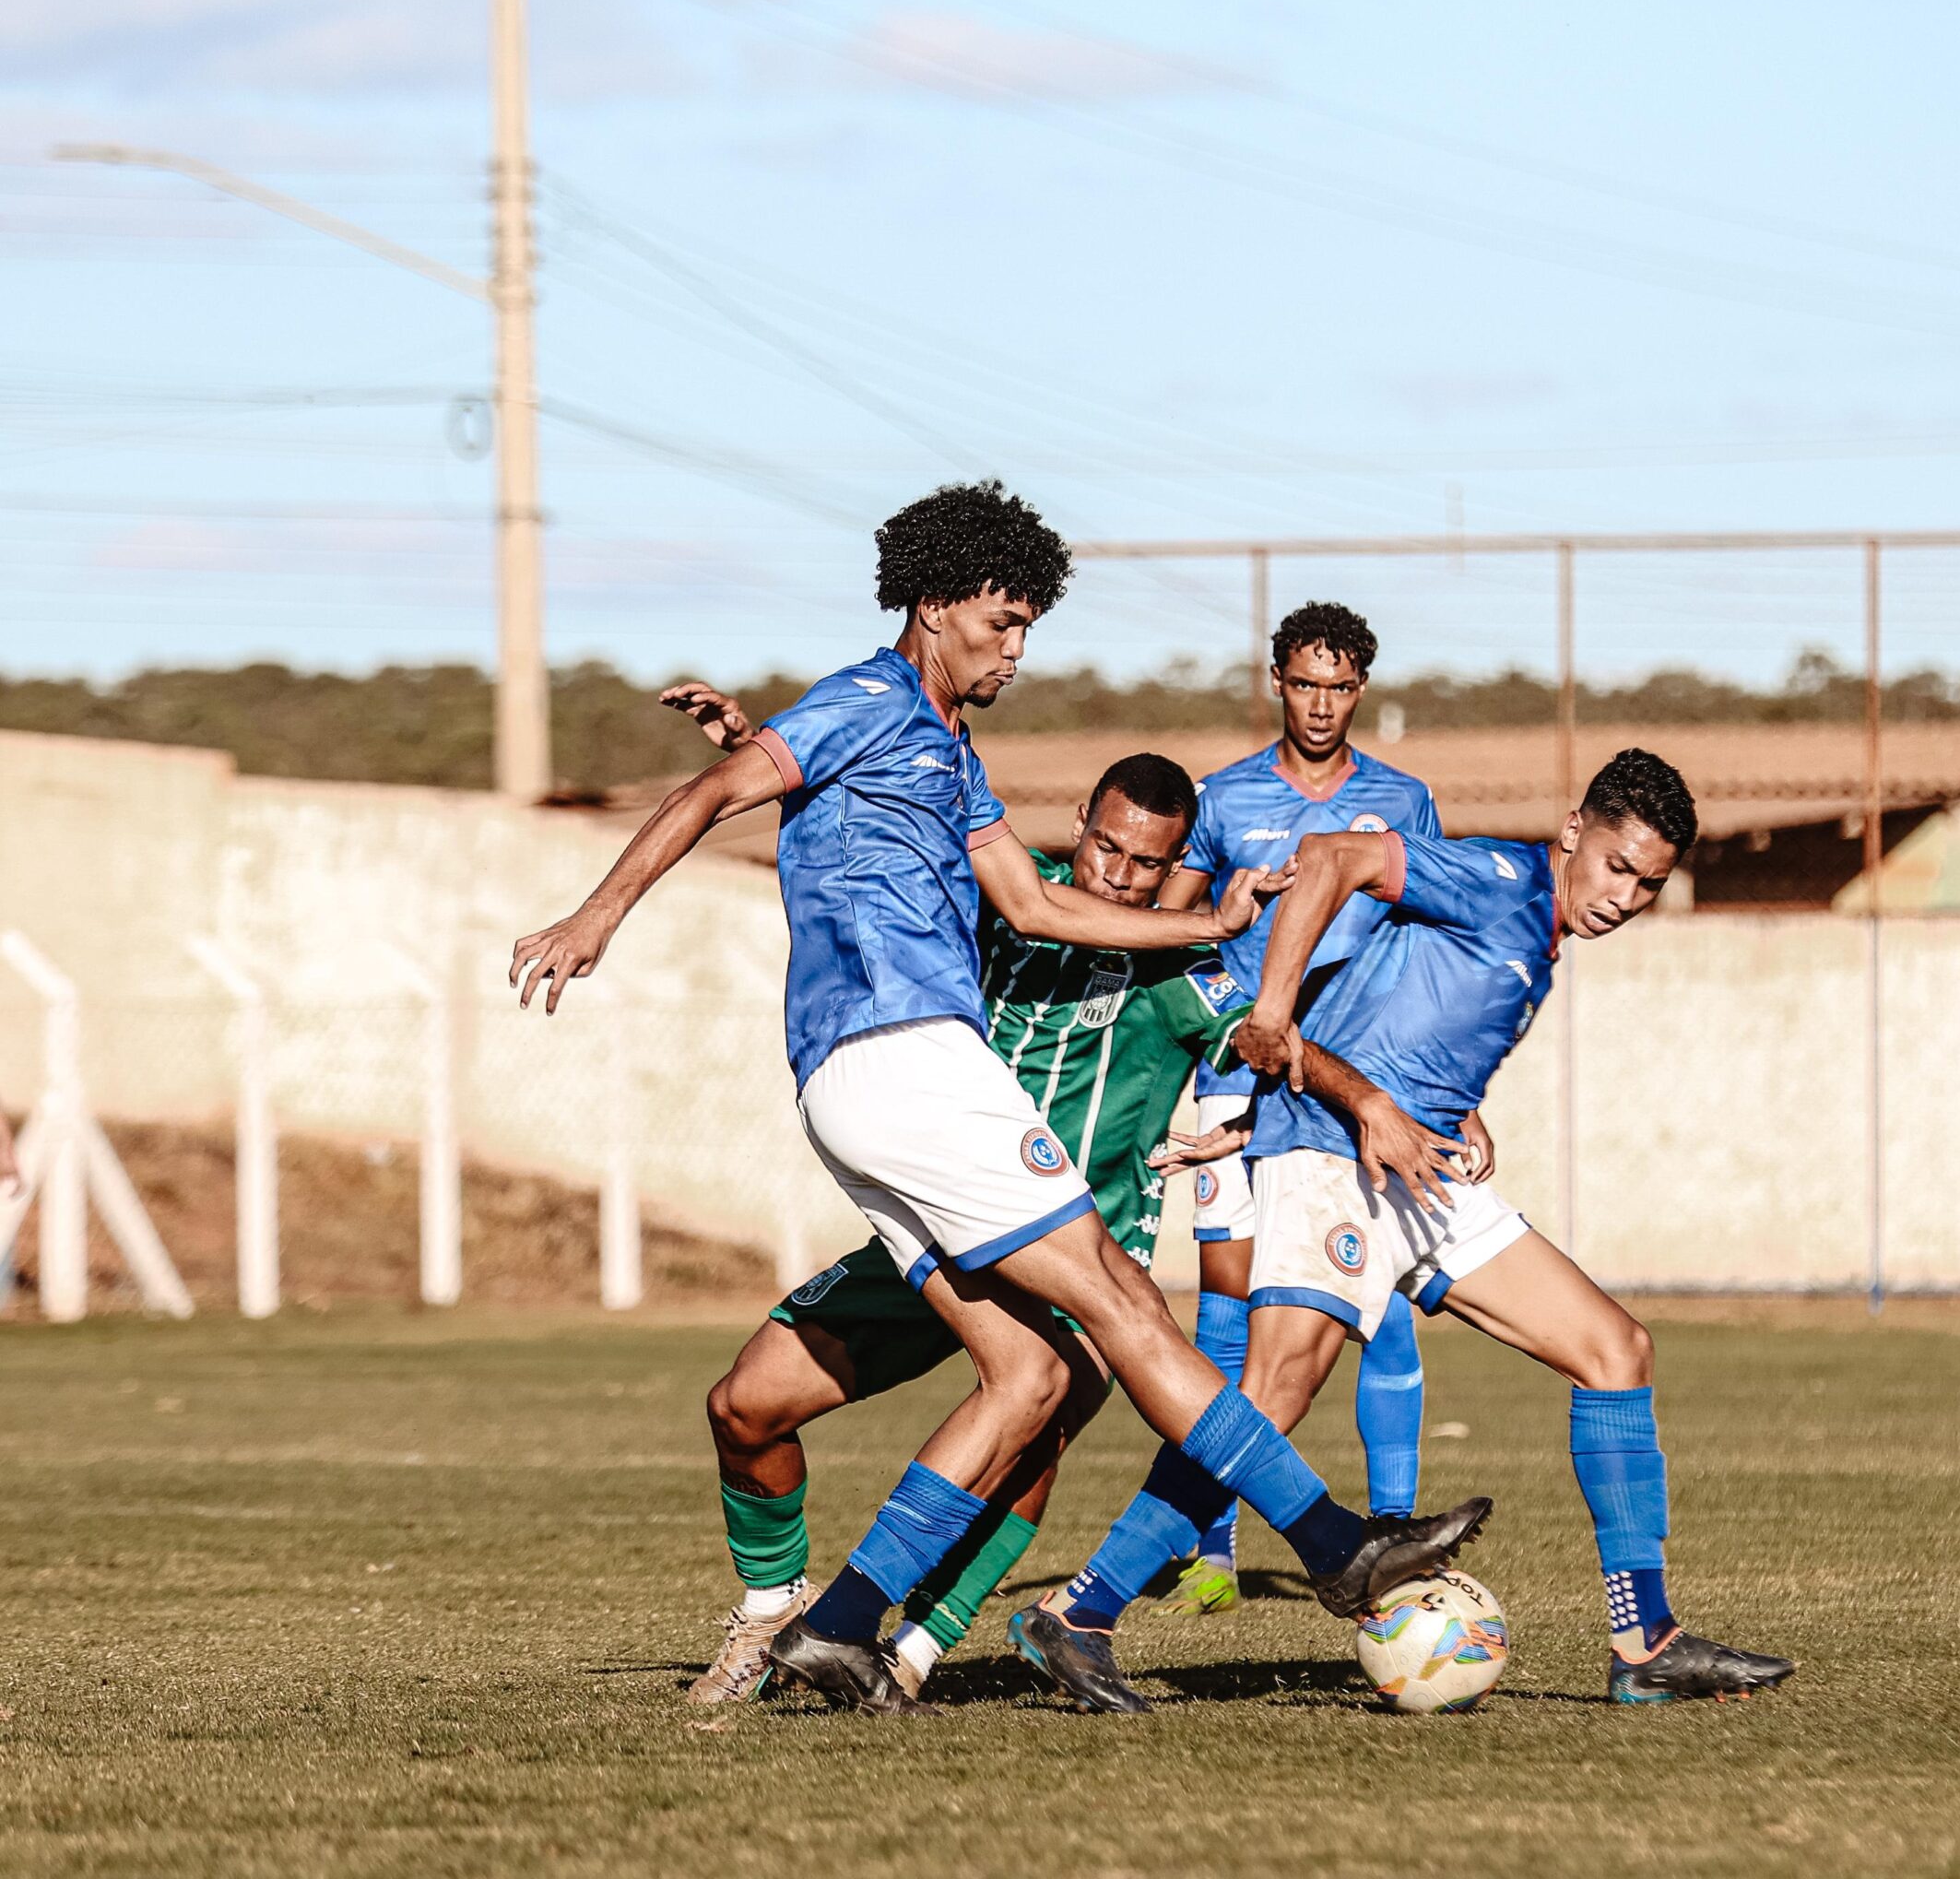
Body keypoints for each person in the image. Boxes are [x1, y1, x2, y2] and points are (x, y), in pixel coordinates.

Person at [510, 481, 1488, 1714]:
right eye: (1002, 620)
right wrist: (597, 914)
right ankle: (1338, 1549)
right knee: (1126, 1302)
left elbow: (1034, 906)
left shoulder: (949, 754)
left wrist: (1205, 924)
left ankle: (847, 1625)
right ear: (933, 602)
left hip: (865, 1084)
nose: (1017, 649)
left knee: (1027, 1370)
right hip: (908, 1054)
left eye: (1030, 625)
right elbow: (714, 796)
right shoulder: (866, 697)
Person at [1013, 750, 1796, 1710]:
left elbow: (1391, 999)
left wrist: (1452, 1105)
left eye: (1647, 882)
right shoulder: (1503, 876)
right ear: (1570, 833)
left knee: (1614, 1346)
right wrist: (1269, 1017)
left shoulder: (1534, 932)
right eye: (1614, 865)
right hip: (1335, 1154)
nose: (1624, 894)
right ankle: (1081, 1609)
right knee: (1271, 1392)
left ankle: (1645, 1639)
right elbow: (1332, 855)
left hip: (1417, 1169)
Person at [656, 724, 1258, 1705]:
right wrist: (773, 756)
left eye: (1149, 863)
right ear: (1079, 824)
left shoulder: (1181, 960)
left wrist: (1261, 1110)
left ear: (1175, 864)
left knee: (1031, 1431)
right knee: (744, 1404)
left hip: (1079, 1260)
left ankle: (910, 1650)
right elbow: (882, 838)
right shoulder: (1007, 894)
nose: (1119, 875)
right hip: (935, 1227)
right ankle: (771, 1606)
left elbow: (1265, 1038)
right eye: (1107, 846)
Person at [1151, 601, 1451, 1616]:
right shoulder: (1224, 797)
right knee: (1227, 1311)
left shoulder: (1403, 799)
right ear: (1275, 679)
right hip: (1242, 1073)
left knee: (1387, 1308)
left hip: (1360, 1079)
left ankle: (1398, 1533)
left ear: (1358, 687)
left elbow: (1429, 937)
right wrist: (1224, 903)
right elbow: (1163, 926)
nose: (1321, 703)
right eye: (1305, 682)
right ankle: (1214, 1550)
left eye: (1340, 685)